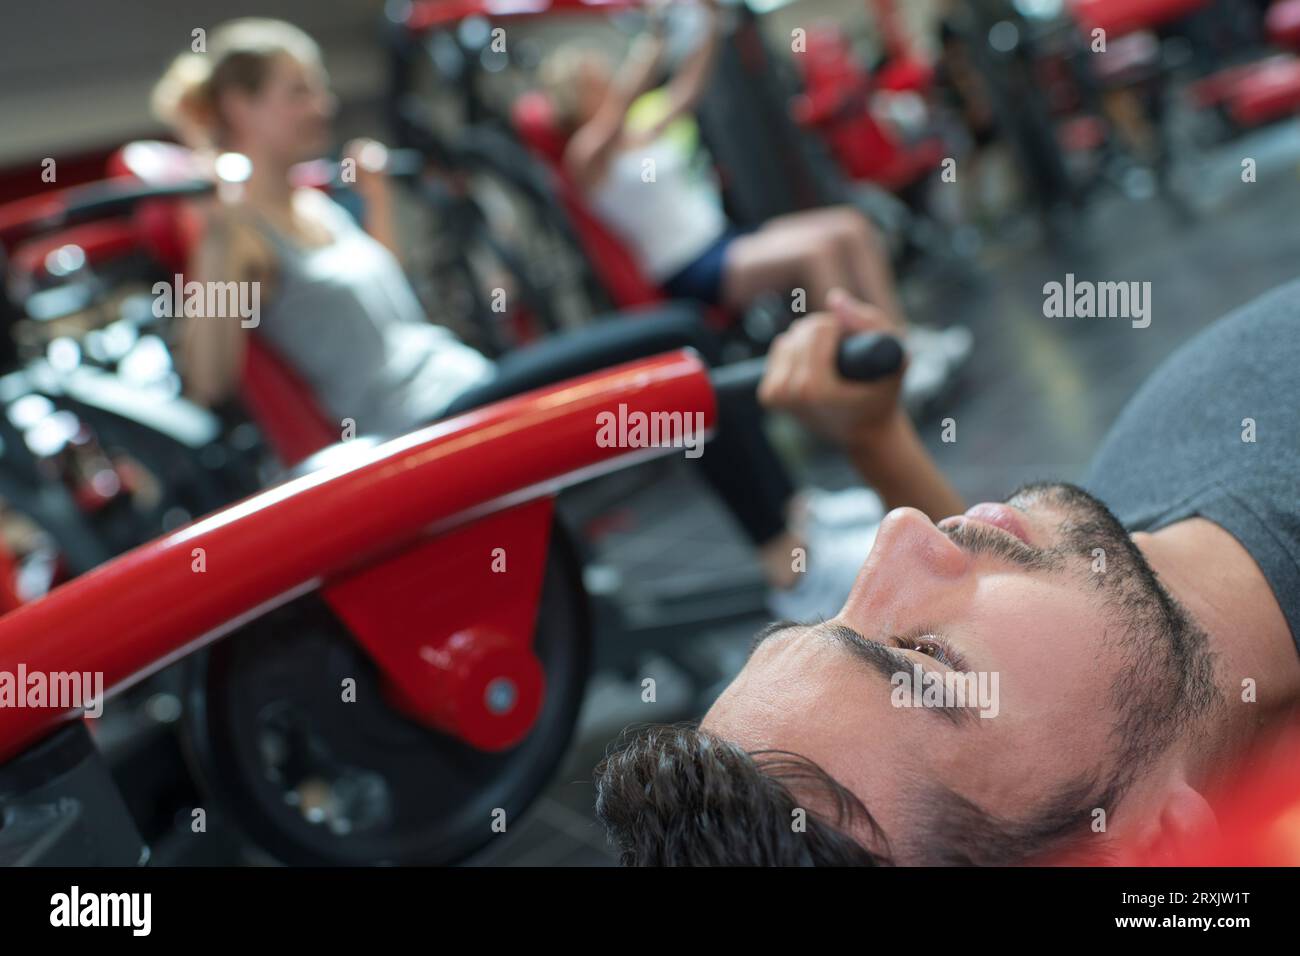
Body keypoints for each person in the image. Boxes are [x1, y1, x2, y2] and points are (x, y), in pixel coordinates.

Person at [149, 17, 876, 617]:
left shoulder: (309, 203)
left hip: (466, 383)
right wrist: (211, 235)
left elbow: (388, 305)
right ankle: (794, 573)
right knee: (675, 338)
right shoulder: (239, 233)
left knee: (678, 341)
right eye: (296, 93)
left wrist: (370, 201)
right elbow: (208, 380)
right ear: (242, 109)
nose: (321, 105)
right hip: (427, 427)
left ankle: (796, 518)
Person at [594, 282, 1300, 865]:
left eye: (833, 614)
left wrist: (876, 438)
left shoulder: (1120, 603)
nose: (901, 532)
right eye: (924, 655)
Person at [538, 0, 973, 404]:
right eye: (595, 81)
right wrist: (655, 39)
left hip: (726, 240)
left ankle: (899, 342)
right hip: (691, 266)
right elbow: (621, 104)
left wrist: (708, 21)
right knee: (817, 252)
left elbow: (689, 88)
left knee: (850, 226)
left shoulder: (639, 133)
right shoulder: (586, 157)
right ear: (575, 99)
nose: (608, 84)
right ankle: (867, 385)